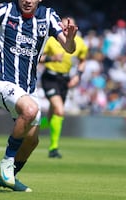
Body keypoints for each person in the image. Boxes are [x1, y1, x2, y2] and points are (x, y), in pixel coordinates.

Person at [0, 0, 77, 192]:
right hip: (1, 82)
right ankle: (7, 162)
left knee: (32, 140)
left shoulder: (48, 16)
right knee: (30, 109)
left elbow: (69, 48)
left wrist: (71, 37)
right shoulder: (4, 10)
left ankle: (8, 177)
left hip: (28, 87)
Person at [39, 16, 88, 158]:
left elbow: (83, 61)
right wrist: (51, 59)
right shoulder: (52, 39)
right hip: (50, 77)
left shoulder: (80, 43)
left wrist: (78, 75)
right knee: (59, 110)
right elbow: (38, 57)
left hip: (64, 80)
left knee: (53, 112)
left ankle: (35, 125)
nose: (68, 27)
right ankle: (53, 148)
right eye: (66, 24)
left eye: (71, 25)